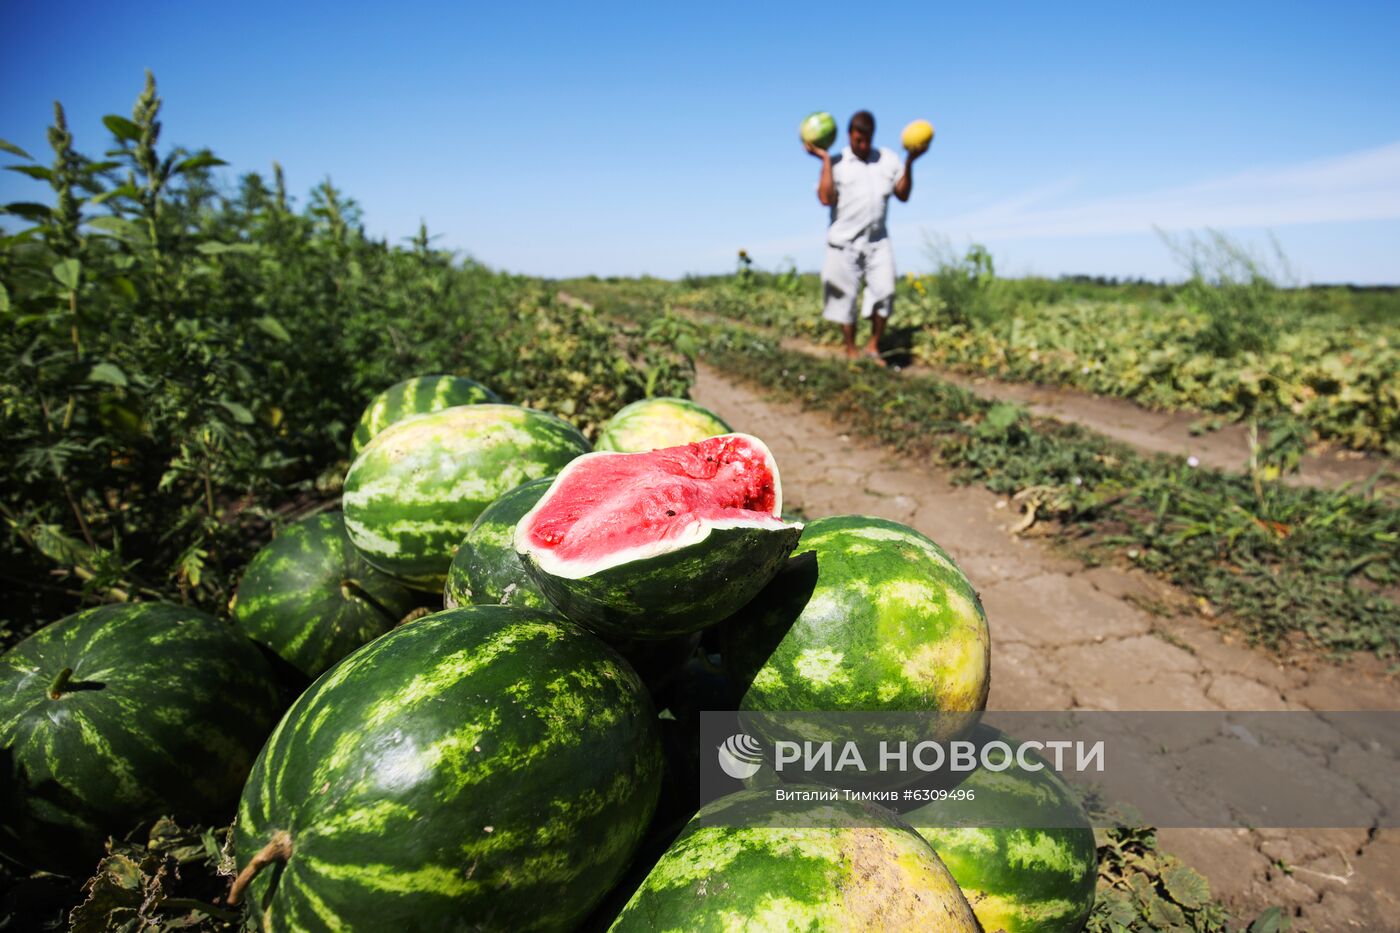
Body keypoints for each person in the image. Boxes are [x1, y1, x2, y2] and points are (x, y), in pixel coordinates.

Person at [804, 110, 925, 364]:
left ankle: (873, 346)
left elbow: (902, 195)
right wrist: (824, 159)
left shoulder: (887, 160)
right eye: (858, 139)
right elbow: (826, 198)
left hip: (877, 241)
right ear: (849, 135)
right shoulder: (837, 163)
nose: (863, 144)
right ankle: (850, 349)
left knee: (885, 292)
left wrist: (910, 161)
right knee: (843, 298)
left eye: (867, 139)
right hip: (843, 243)